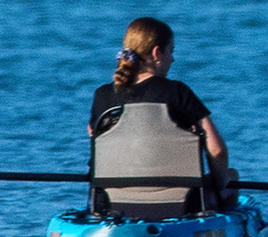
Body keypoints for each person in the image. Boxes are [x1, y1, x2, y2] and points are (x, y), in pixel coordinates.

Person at [86, 16, 230, 218]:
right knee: (231, 177)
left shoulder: (102, 96)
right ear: (157, 53)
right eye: (171, 51)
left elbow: (95, 140)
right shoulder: (178, 93)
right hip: (180, 206)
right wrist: (219, 184)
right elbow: (217, 151)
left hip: (111, 207)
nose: (173, 59)